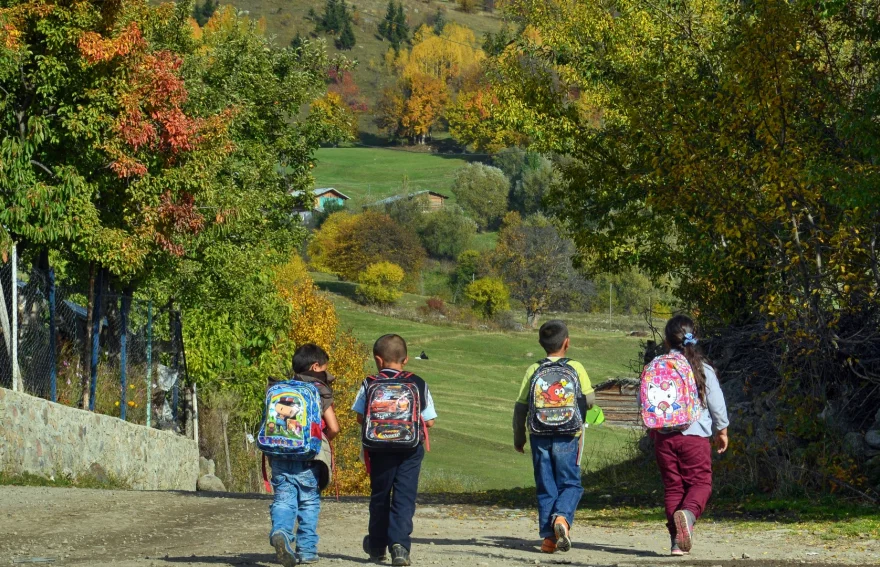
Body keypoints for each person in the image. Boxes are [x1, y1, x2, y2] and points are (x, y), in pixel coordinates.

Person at [352, 334, 437, 566]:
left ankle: (377, 546)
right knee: (404, 497)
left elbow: (361, 417)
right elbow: (429, 422)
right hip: (410, 449)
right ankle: (399, 547)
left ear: (378, 360)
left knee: (380, 496)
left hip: (378, 448)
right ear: (406, 359)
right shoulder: (418, 382)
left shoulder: (369, 383)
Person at [512, 320, 595, 554]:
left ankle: (549, 539)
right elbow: (589, 399)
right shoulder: (575, 367)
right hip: (569, 434)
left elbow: (520, 407)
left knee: (545, 485)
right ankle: (562, 518)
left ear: (540, 343)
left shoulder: (533, 369)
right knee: (571, 483)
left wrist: (519, 438)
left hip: (539, 434)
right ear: (567, 342)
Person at [652, 315, 729, 556]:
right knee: (701, 483)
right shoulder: (701, 368)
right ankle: (688, 515)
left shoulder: (656, 366)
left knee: (673, 488)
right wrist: (722, 429)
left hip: (663, 437)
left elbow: (643, 401)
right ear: (693, 337)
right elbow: (716, 403)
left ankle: (677, 543)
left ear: (666, 341)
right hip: (695, 436)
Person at [269, 344, 341, 566]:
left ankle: (280, 532)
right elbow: (334, 427)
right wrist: (321, 439)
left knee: (283, 499)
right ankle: (307, 551)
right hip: (309, 458)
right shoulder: (318, 390)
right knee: (308, 502)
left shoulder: (280, 388)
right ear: (315, 366)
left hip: (280, 454)